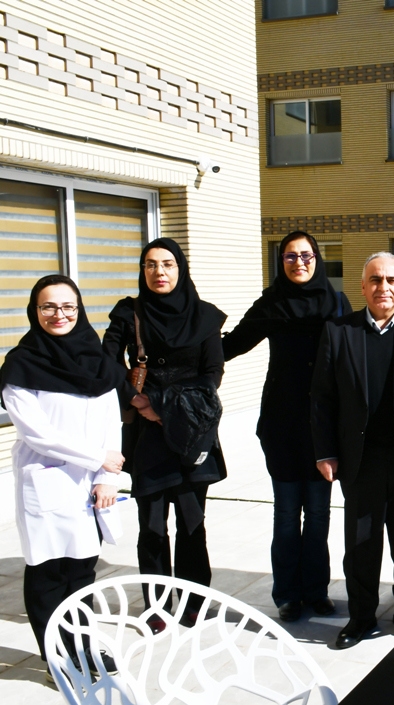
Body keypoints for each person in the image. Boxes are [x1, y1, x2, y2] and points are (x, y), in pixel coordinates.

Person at [311, 252, 394, 649]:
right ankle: (361, 619)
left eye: (391, 280)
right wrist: (325, 452)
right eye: (375, 279)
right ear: (362, 286)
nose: (382, 287)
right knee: (361, 547)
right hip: (360, 461)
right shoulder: (339, 332)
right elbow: (322, 399)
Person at [223, 231, 350, 623]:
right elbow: (232, 345)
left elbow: (352, 358)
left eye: (306, 255)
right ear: (281, 261)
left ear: (317, 259)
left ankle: (316, 590)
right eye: (290, 256)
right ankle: (288, 595)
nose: (299, 263)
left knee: (319, 514)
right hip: (281, 424)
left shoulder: (336, 302)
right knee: (286, 513)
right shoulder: (272, 302)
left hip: (322, 426)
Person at [1, 275, 125, 671]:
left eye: (68, 306)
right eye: (48, 307)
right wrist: (99, 459)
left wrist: (106, 477)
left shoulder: (97, 360)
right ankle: (58, 660)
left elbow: (111, 420)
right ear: (35, 311)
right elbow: (38, 434)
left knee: (82, 573)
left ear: (79, 309)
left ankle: (83, 648)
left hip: (90, 484)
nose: (59, 314)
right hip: (47, 481)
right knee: (48, 574)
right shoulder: (22, 364)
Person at [102, 238, 227, 632]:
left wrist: (163, 406)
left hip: (190, 430)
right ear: (143, 271)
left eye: (168, 264)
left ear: (180, 269)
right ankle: (156, 606)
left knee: (192, 524)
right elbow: (107, 364)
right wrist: (138, 402)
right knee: (153, 526)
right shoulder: (129, 313)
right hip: (147, 436)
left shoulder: (204, 316)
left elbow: (212, 374)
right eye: (151, 264)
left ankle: (194, 601)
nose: (159, 272)